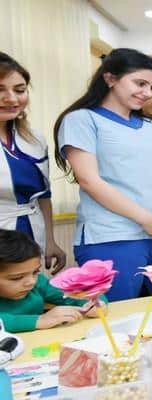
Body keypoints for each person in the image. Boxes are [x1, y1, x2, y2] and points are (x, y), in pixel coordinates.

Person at [53, 48, 152, 301]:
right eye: (140, 84)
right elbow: (89, 180)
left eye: (151, 87)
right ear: (110, 79)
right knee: (118, 312)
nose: (147, 93)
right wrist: (145, 218)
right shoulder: (82, 120)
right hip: (112, 235)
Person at [0, 52, 66, 274]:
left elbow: (44, 195)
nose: (12, 99)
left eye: (19, 90)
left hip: (30, 233)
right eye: (0, 89)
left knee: (30, 290)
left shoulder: (34, 139)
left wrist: (50, 240)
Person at [0, 229, 103, 333]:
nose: (31, 281)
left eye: (35, 272)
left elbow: (78, 293)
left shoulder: (39, 283)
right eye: (17, 277)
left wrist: (94, 304)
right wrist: (40, 320)